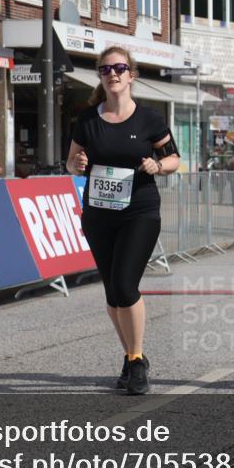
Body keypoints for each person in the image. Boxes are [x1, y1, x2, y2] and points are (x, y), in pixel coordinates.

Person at [66, 47, 180, 396]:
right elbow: (70, 162)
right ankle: (132, 358)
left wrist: (157, 166)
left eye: (119, 68)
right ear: (100, 76)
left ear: (131, 75)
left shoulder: (149, 119)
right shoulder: (87, 120)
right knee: (113, 291)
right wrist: (77, 166)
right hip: (99, 214)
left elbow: (175, 158)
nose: (112, 74)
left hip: (139, 212)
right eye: (105, 69)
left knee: (126, 286)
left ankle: (136, 359)